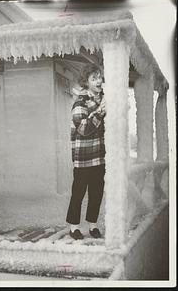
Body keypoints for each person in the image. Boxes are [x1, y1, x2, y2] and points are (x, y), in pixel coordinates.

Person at [66, 63, 106, 240]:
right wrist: (100, 112)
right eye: (94, 78)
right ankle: (74, 227)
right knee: (79, 193)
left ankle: (93, 225)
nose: (98, 81)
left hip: (100, 157)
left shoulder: (103, 99)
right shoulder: (80, 102)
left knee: (96, 193)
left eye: (99, 77)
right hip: (83, 159)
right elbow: (83, 128)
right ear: (86, 81)